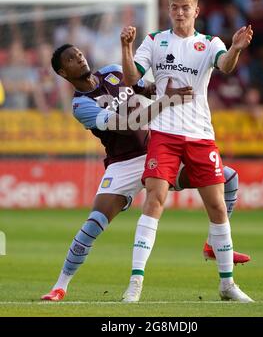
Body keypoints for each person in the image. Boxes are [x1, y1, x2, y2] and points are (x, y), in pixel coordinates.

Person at [41, 44, 249, 301]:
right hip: (122, 163)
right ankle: (60, 286)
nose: (79, 58)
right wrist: (165, 100)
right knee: (94, 223)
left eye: (79, 53)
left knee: (228, 178)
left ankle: (213, 246)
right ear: (63, 72)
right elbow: (127, 126)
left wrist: (165, 87)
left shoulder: (113, 72)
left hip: (157, 151)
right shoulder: (81, 105)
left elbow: (147, 87)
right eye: (71, 59)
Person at [121, 0, 254, 303]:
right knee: (155, 200)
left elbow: (225, 66)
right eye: (175, 7)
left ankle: (227, 285)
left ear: (197, 11)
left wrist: (235, 48)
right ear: (169, 10)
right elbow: (132, 79)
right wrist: (126, 48)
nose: (180, 12)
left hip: (200, 135)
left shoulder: (210, 43)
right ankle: (135, 284)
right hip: (164, 133)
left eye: (186, 7)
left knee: (218, 206)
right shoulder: (154, 41)